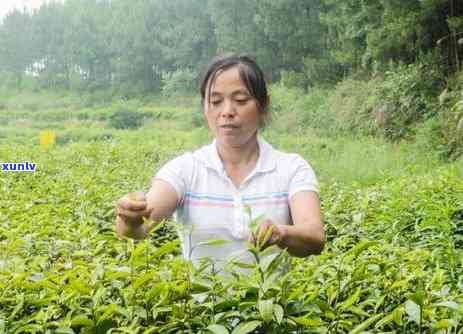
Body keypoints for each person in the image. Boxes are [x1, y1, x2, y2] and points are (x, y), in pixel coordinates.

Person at [115, 54, 324, 269]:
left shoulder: (291, 168)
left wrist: (282, 233)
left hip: (271, 303)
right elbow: (138, 231)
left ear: (263, 105)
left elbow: (315, 236)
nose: (227, 112)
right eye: (215, 101)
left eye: (240, 100)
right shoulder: (185, 170)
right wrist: (130, 219)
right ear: (205, 107)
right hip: (202, 303)